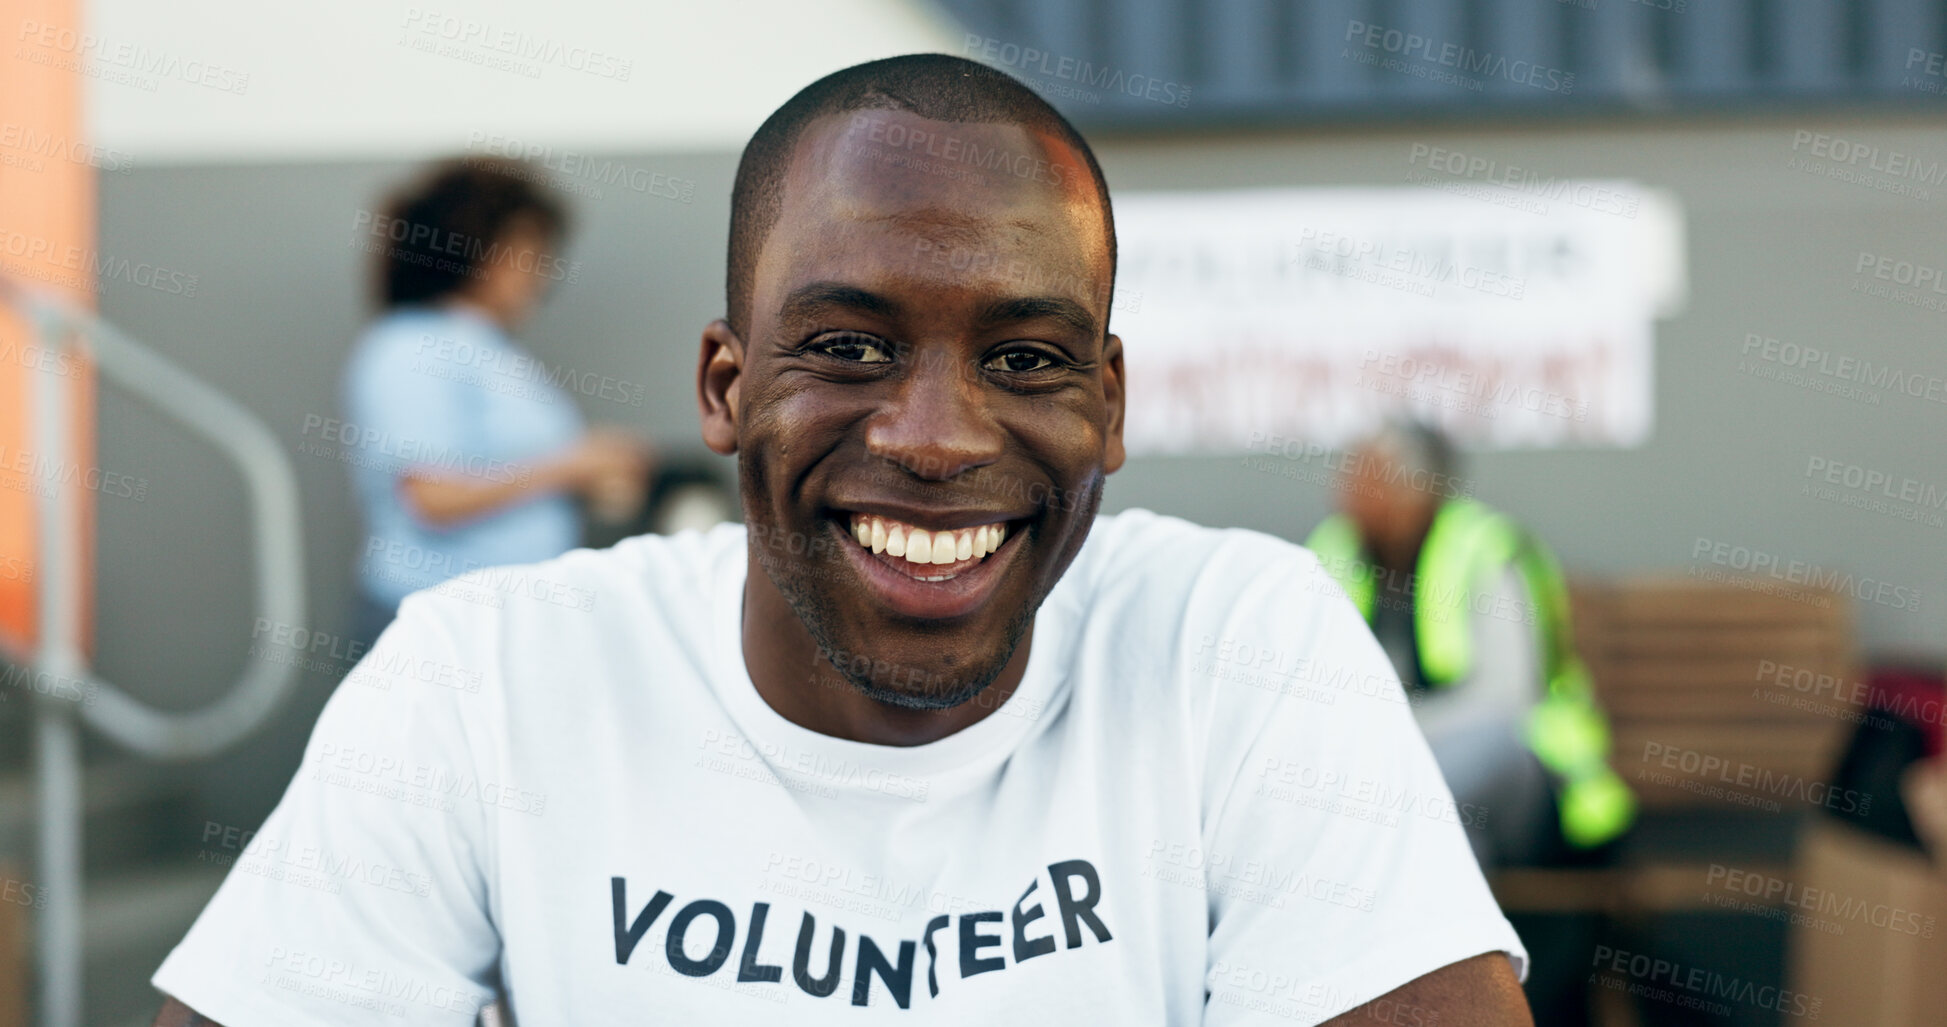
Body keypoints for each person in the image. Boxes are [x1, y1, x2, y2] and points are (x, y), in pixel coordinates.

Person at [151, 56, 1532, 1025]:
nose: (936, 436)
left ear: (1108, 404)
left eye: (1024, 355)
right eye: (847, 344)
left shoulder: (1236, 638)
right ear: (722, 386)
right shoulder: (486, 677)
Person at [341, 158, 653, 649]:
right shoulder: (409, 347)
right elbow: (431, 497)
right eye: (524, 252)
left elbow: (512, 471)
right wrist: (573, 466)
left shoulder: (488, 347)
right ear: (475, 251)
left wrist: (591, 476)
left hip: (503, 616)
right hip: (438, 617)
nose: (539, 271)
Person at [1305, 420, 1634, 869]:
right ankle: (1444, 937)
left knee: (1457, 773)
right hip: (1393, 774)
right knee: (1450, 841)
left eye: (1369, 477)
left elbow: (1505, 701)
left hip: (1526, 777)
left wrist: (1395, 740)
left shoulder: (1487, 549)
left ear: (1416, 488)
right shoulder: (1332, 551)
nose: (1347, 492)